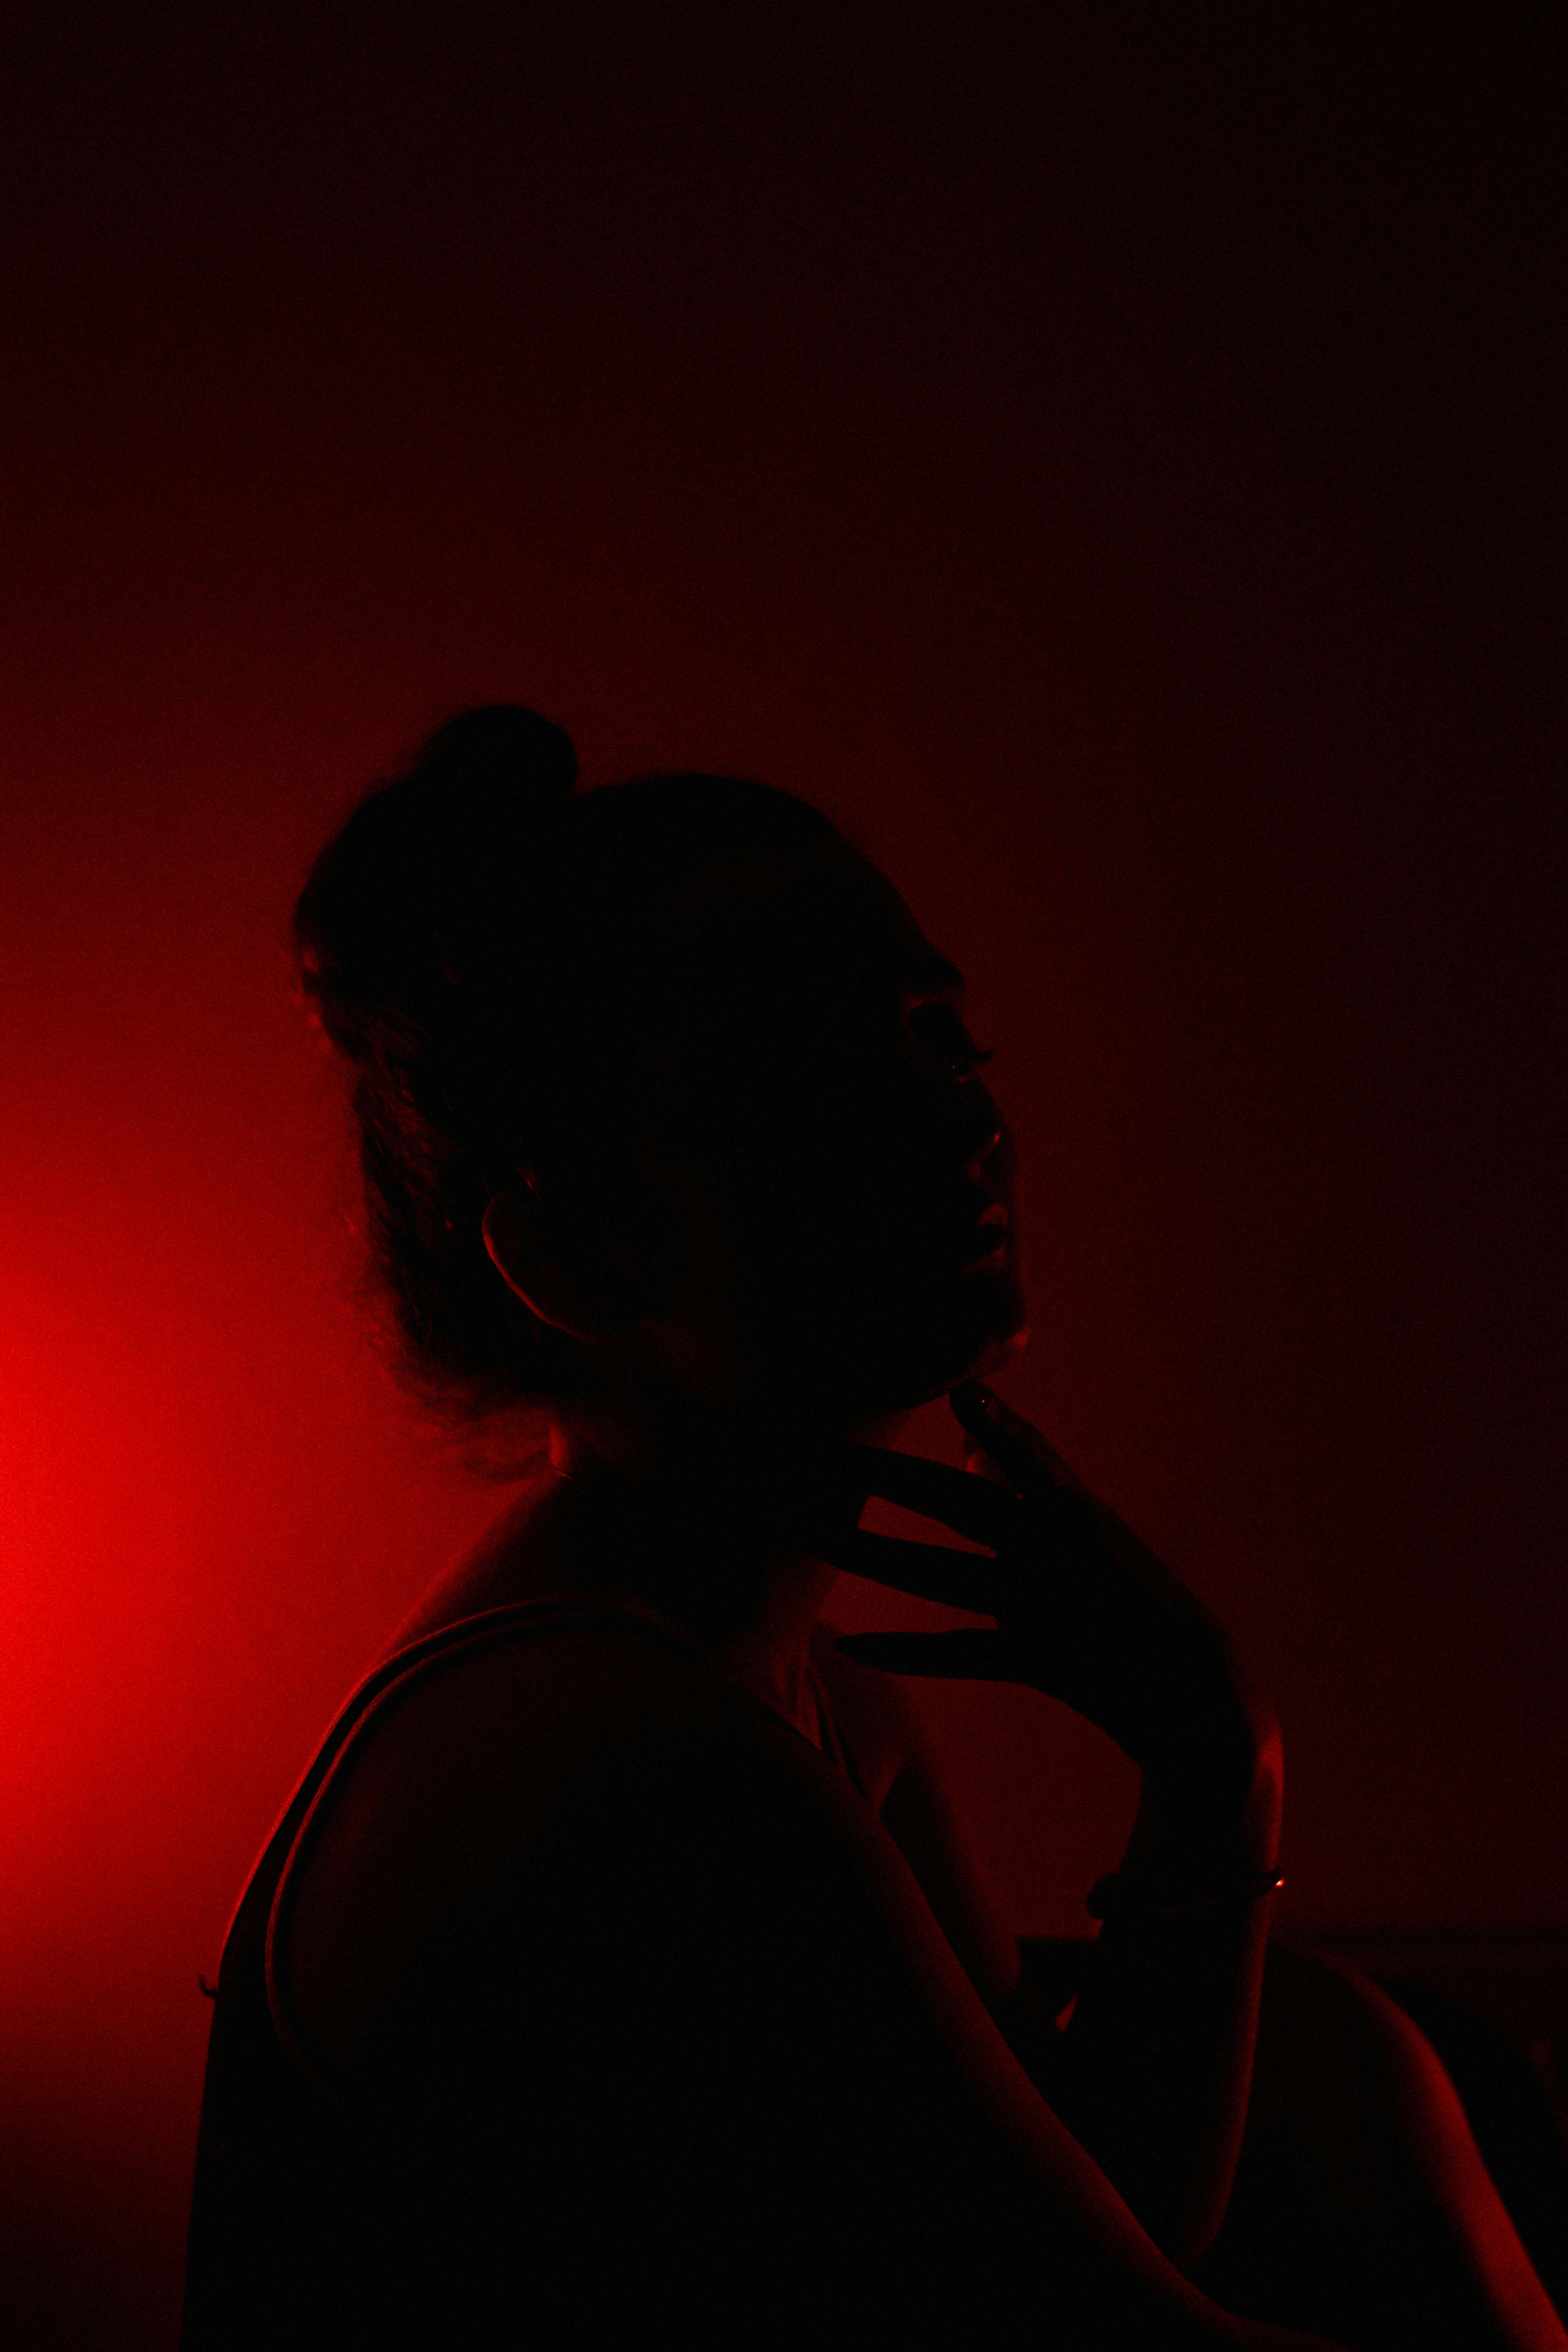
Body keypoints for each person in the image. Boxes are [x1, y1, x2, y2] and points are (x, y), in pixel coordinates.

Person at [180, 706, 1566, 2349]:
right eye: (817, 1077)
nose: (960, 1119)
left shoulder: (810, 1703)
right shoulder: (599, 1758)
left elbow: (1118, 2206)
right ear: (576, 1257)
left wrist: (1213, 1759)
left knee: (1329, 2053)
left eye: (944, 1037)